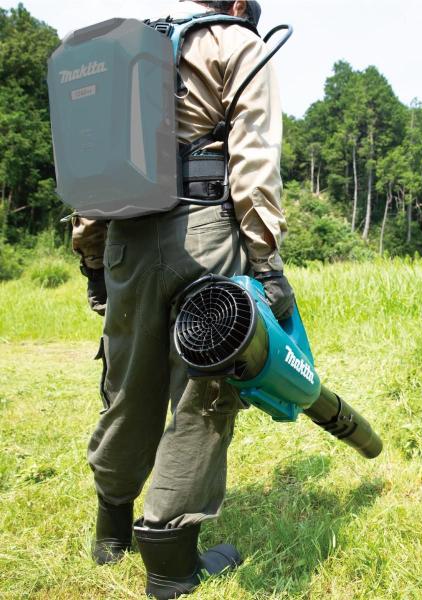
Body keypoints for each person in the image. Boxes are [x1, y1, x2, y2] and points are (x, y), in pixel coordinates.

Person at [72, 1, 294, 598]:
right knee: (205, 388)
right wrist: (267, 263)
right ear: (241, 4)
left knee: (127, 381)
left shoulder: (122, 52)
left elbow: (91, 162)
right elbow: (253, 159)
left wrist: (94, 258)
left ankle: (111, 532)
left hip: (123, 235)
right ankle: (171, 563)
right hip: (204, 228)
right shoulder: (236, 43)